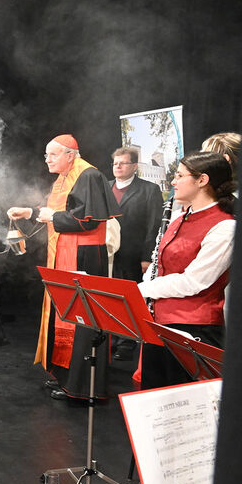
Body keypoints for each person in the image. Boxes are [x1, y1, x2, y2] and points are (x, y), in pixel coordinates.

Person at [7, 134, 119, 401]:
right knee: (64, 312)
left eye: (53, 155)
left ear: (70, 155)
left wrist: (53, 216)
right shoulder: (64, 177)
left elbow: (88, 220)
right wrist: (29, 212)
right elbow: (57, 211)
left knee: (82, 318)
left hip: (83, 255)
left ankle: (82, 387)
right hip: (65, 251)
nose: (47, 159)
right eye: (46, 155)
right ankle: (66, 377)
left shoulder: (88, 175)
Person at [138, 152, 236, 388]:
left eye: (180, 176)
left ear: (202, 180)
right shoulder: (177, 218)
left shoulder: (225, 226)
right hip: (158, 324)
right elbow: (159, 263)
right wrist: (148, 282)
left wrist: (144, 289)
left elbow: (194, 282)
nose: (173, 181)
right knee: (153, 396)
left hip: (194, 329)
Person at [108, 146, 164, 360]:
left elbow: (153, 225)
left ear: (134, 166)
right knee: (109, 297)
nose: (118, 167)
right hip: (107, 254)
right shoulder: (105, 187)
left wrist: (147, 256)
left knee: (128, 299)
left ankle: (126, 343)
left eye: (123, 163)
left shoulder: (149, 190)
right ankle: (111, 339)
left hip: (133, 255)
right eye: (115, 163)